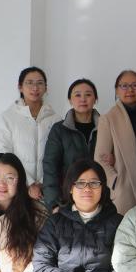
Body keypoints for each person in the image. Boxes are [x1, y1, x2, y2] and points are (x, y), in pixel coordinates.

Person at [0, 66, 58, 201]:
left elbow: (58, 155)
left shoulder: (55, 119)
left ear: (46, 88)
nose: (35, 88)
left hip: (47, 189)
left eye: (40, 83)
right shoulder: (8, 117)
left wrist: (43, 183)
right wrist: (29, 183)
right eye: (29, 83)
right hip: (17, 187)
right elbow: (4, 153)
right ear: (20, 87)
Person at [42, 79, 100, 211]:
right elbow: (50, 166)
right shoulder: (59, 129)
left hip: (99, 197)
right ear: (70, 100)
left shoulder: (106, 127)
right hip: (67, 199)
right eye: (77, 95)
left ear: (95, 99)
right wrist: (54, 203)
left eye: (88, 94)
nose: (83, 99)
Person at [95, 70, 136, 215]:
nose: (130, 90)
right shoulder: (108, 118)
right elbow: (100, 158)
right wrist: (115, 182)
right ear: (117, 90)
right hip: (125, 187)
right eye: (124, 86)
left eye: (135, 85)